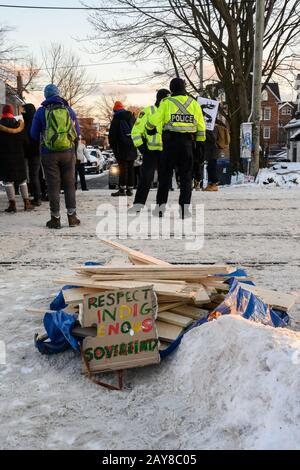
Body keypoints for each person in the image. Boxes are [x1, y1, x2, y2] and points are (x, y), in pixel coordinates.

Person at [145, 78, 206, 218]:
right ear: (184, 88)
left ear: (172, 89)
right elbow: (201, 127)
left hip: (170, 145)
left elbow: (155, 119)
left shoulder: (166, 103)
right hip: (187, 145)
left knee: (165, 178)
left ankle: (160, 210)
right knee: (186, 179)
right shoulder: (194, 104)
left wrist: (149, 129)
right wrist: (199, 144)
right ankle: (184, 211)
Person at [31, 84, 80, 229]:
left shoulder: (40, 111)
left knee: (53, 185)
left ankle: (55, 219)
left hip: (48, 153)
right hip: (68, 152)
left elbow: (33, 135)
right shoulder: (69, 110)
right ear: (58, 94)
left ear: (46, 96)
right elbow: (76, 132)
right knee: (69, 184)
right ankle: (72, 217)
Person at [129, 88, 170, 213]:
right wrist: (142, 147)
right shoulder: (148, 111)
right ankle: (138, 205)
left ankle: (160, 208)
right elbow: (136, 132)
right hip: (150, 151)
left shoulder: (170, 112)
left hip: (165, 151)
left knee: (164, 181)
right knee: (146, 179)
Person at [0, 104, 34, 213]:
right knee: (22, 180)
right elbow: (26, 143)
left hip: (4, 158)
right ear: (12, 113)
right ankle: (27, 203)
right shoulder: (19, 126)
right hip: (19, 157)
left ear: (3, 113)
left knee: (8, 181)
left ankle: (12, 205)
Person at [108, 101, 137, 197]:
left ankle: (122, 189)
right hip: (132, 145)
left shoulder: (117, 118)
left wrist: (112, 146)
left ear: (115, 110)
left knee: (123, 168)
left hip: (121, 147)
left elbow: (112, 135)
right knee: (131, 167)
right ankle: (130, 189)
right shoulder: (132, 117)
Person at [22, 103, 42, 206]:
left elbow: (29, 139)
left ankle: (37, 198)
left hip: (33, 153)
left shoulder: (30, 123)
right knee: (35, 175)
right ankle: (37, 196)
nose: (22, 112)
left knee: (33, 175)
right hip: (36, 152)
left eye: (24, 110)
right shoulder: (35, 121)